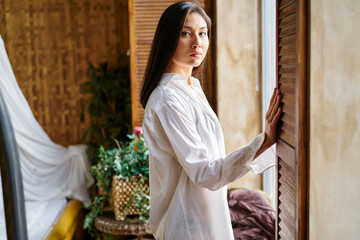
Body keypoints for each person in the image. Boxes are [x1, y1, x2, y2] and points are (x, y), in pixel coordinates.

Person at [140, 1, 281, 240]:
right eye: (186, 33)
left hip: (206, 219)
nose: (198, 42)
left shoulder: (191, 87)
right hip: (186, 226)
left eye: (203, 33)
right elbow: (205, 172)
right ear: (168, 38)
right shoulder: (167, 99)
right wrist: (264, 141)